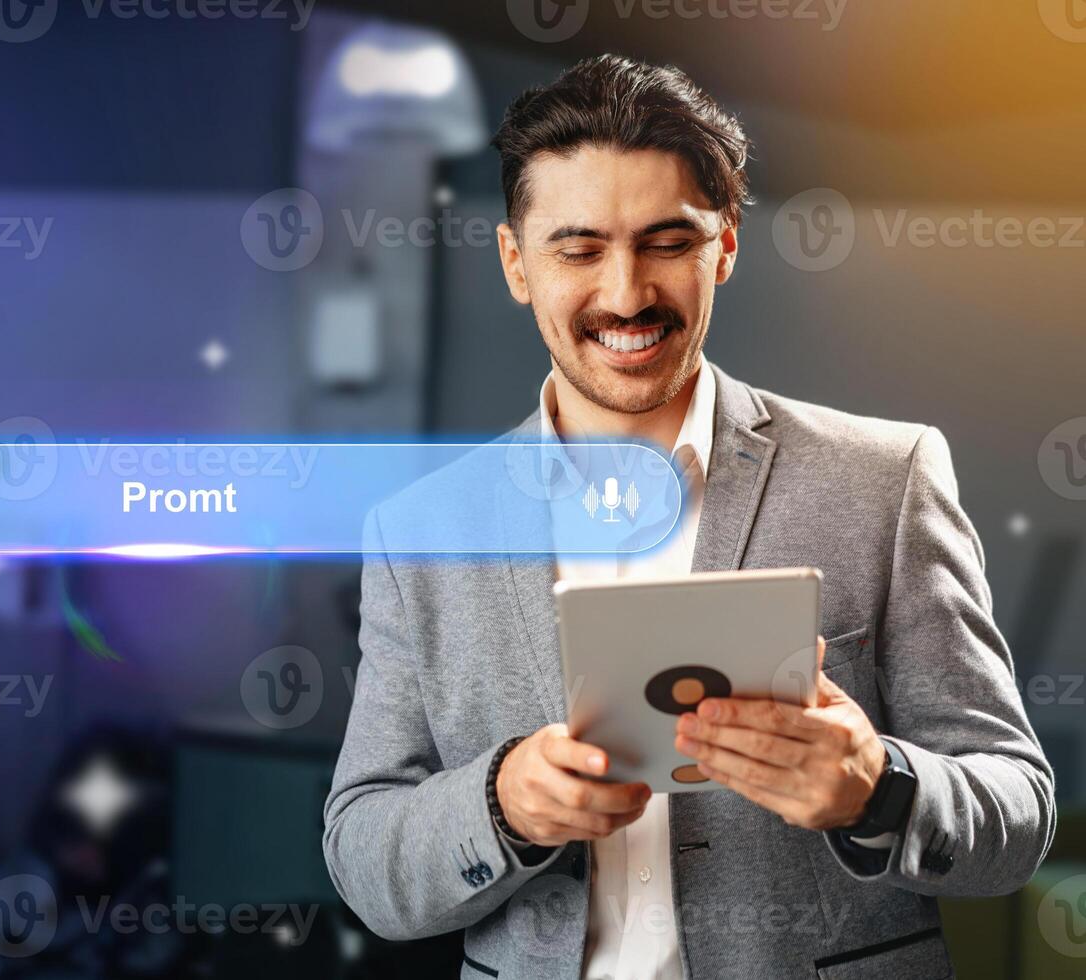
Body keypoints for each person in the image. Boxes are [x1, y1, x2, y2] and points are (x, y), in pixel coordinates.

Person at [322, 54, 1055, 979]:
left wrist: (879, 789)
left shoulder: (885, 479)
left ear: (726, 244)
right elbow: (363, 854)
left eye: (667, 242)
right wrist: (502, 804)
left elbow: (1016, 812)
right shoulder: (418, 530)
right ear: (516, 261)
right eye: (578, 248)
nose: (625, 294)